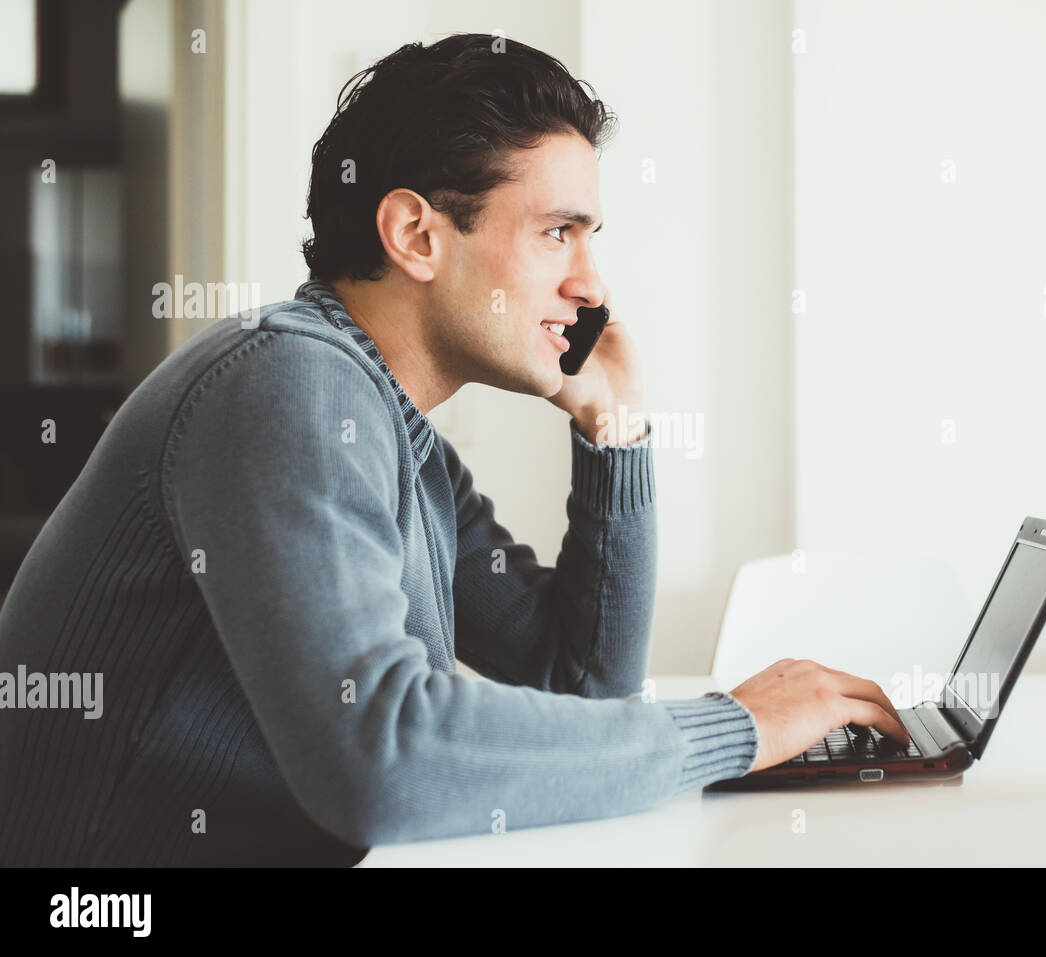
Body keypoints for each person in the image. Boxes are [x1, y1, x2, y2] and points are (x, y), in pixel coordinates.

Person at [0, 33, 906, 867]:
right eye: (559, 232)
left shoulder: (393, 430)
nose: (591, 286)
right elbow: (381, 755)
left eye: (590, 239)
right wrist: (735, 728)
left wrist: (612, 429)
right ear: (417, 236)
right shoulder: (285, 385)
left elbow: (583, 685)